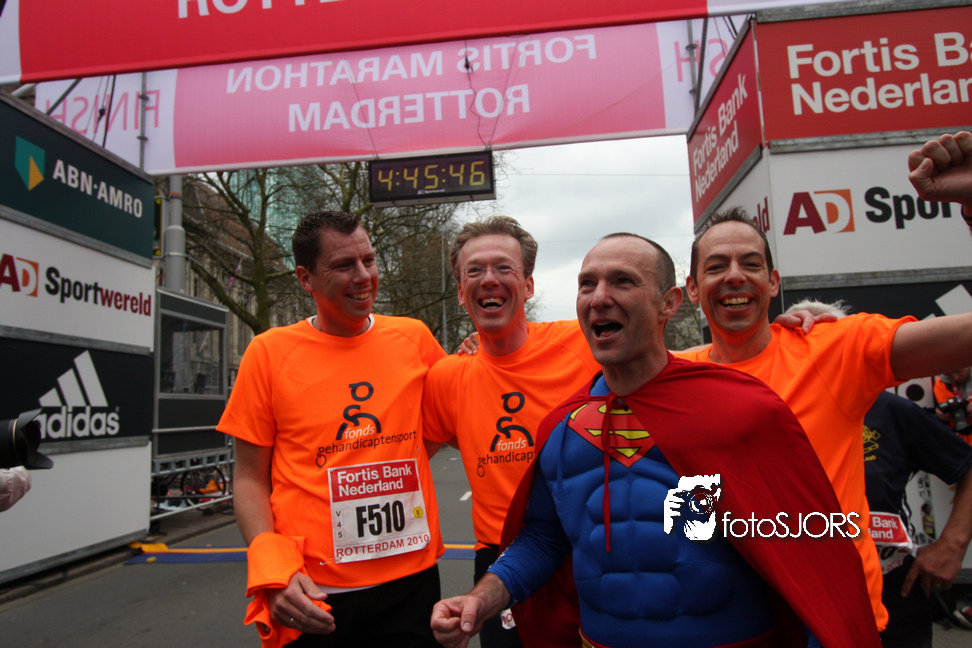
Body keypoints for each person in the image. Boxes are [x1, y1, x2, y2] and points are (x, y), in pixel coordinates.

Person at [431, 233, 881, 648]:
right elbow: (545, 540)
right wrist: (482, 599)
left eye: (622, 281)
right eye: (587, 284)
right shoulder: (564, 428)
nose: (600, 297)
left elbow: (811, 559)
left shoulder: (739, 410)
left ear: (669, 303)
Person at [679, 130, 972, 632]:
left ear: (773, 282)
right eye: (716, 266)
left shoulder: (835, 349)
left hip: (834, 624)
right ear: (691, 289)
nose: (734, 276)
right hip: (727, 624)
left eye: (752, 264)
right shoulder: (675, 379)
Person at [217, 211, 446, 648]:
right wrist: (273, 568)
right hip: (314, 593)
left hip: (411, 581)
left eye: (369, 260)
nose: (364, 276)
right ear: (306, 279)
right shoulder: (268, 353)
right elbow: (248, 478)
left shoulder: (414, 338)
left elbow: (451, 419)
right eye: (343, 265)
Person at [422, 215, 601, 648]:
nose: (489, 279)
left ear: (528, 285)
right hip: (500, 563)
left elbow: (671, 369)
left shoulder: (583, 343)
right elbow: (411, 456)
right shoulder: (447, 377)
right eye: (474, 271)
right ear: (461, 292)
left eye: (503, 267)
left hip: (589, 550)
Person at [785, 299, 972, 646]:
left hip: (893, 592)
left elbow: (967, 464)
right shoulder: (772, 409)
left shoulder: (890, 410)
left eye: (832, 345)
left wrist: (953, 544)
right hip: (806, 595)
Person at [933, 367, 972, 443]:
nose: (956, 377)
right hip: (958, 441)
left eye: (958, 371)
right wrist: (940, 417)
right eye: (949, 374)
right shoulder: (941, 384)